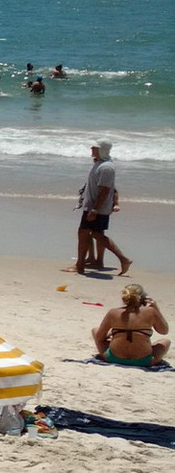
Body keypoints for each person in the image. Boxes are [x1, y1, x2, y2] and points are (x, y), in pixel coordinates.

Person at [70, 140, 131, 276]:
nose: (92, 148)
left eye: (95, 147)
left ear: (102, 150)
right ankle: (85, 263)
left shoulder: (106, 167)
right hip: (91, 205)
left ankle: (80, 266)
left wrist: (95, 209)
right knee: (92, 233)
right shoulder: (99, 163)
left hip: (97, 207)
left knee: (86, 233)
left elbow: (106, 190)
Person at [93, 284, 168, 367]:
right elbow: (164, 331)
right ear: (143, 299)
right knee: (165, 341)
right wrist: (156, 309)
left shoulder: (113, 312)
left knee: (95, 330)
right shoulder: (150, 311)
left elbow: (99, 338)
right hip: (143, 361)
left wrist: (112, 334)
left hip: (113, 358)